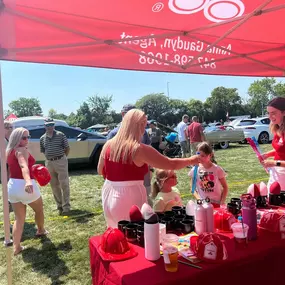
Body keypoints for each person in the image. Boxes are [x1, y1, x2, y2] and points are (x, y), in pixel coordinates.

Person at [97, 109, 200, 228]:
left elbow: (100, 170)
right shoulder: (139, 149)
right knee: (134, 236)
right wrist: (191, 160)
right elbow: (170, 164)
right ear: (140, 125)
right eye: (144, 124)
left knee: (115, 234)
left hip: (109, 193)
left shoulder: (108, 144)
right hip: (128, 197)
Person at [6, 128, 47, 255]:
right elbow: (23, 166)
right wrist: (28, 181)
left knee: (19, 218)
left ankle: (16, 247)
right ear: (16, 138)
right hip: (24, 185)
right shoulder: (21, 150)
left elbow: (13, 169)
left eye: (28, 136)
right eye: (24, 137)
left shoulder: (9, 151)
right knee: (39, 209)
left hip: (12, 186)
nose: (27, 139)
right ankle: (40, 230)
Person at [107, 104, 152, 197]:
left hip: (142, 176)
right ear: (123, 114)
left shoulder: (143, 132)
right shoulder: (114, 134)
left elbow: (149, 150)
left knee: (145, 201)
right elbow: (109, 158)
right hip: (123, 180)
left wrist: (150, 169)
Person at [40, 118, 71, 215]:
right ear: (45, 126)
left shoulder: (60, 135)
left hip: (60, 160)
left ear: (54, 125)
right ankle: (59, 205)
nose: (50, 127)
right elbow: (43, 150)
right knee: (54, 185)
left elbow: (67, 148)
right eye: (48, 125)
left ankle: (66, 206)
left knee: (64, 184)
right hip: (49, 162)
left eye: (51, 124)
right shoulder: (42, 138)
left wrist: (63, 158)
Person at [262, 97, 285, 190]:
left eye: (273, 113)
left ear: (284, 112)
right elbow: (280, 150)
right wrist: (267, 155)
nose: (270, 117)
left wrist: (273, 163)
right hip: (277, 173)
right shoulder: (278, 129)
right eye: (269, 113)